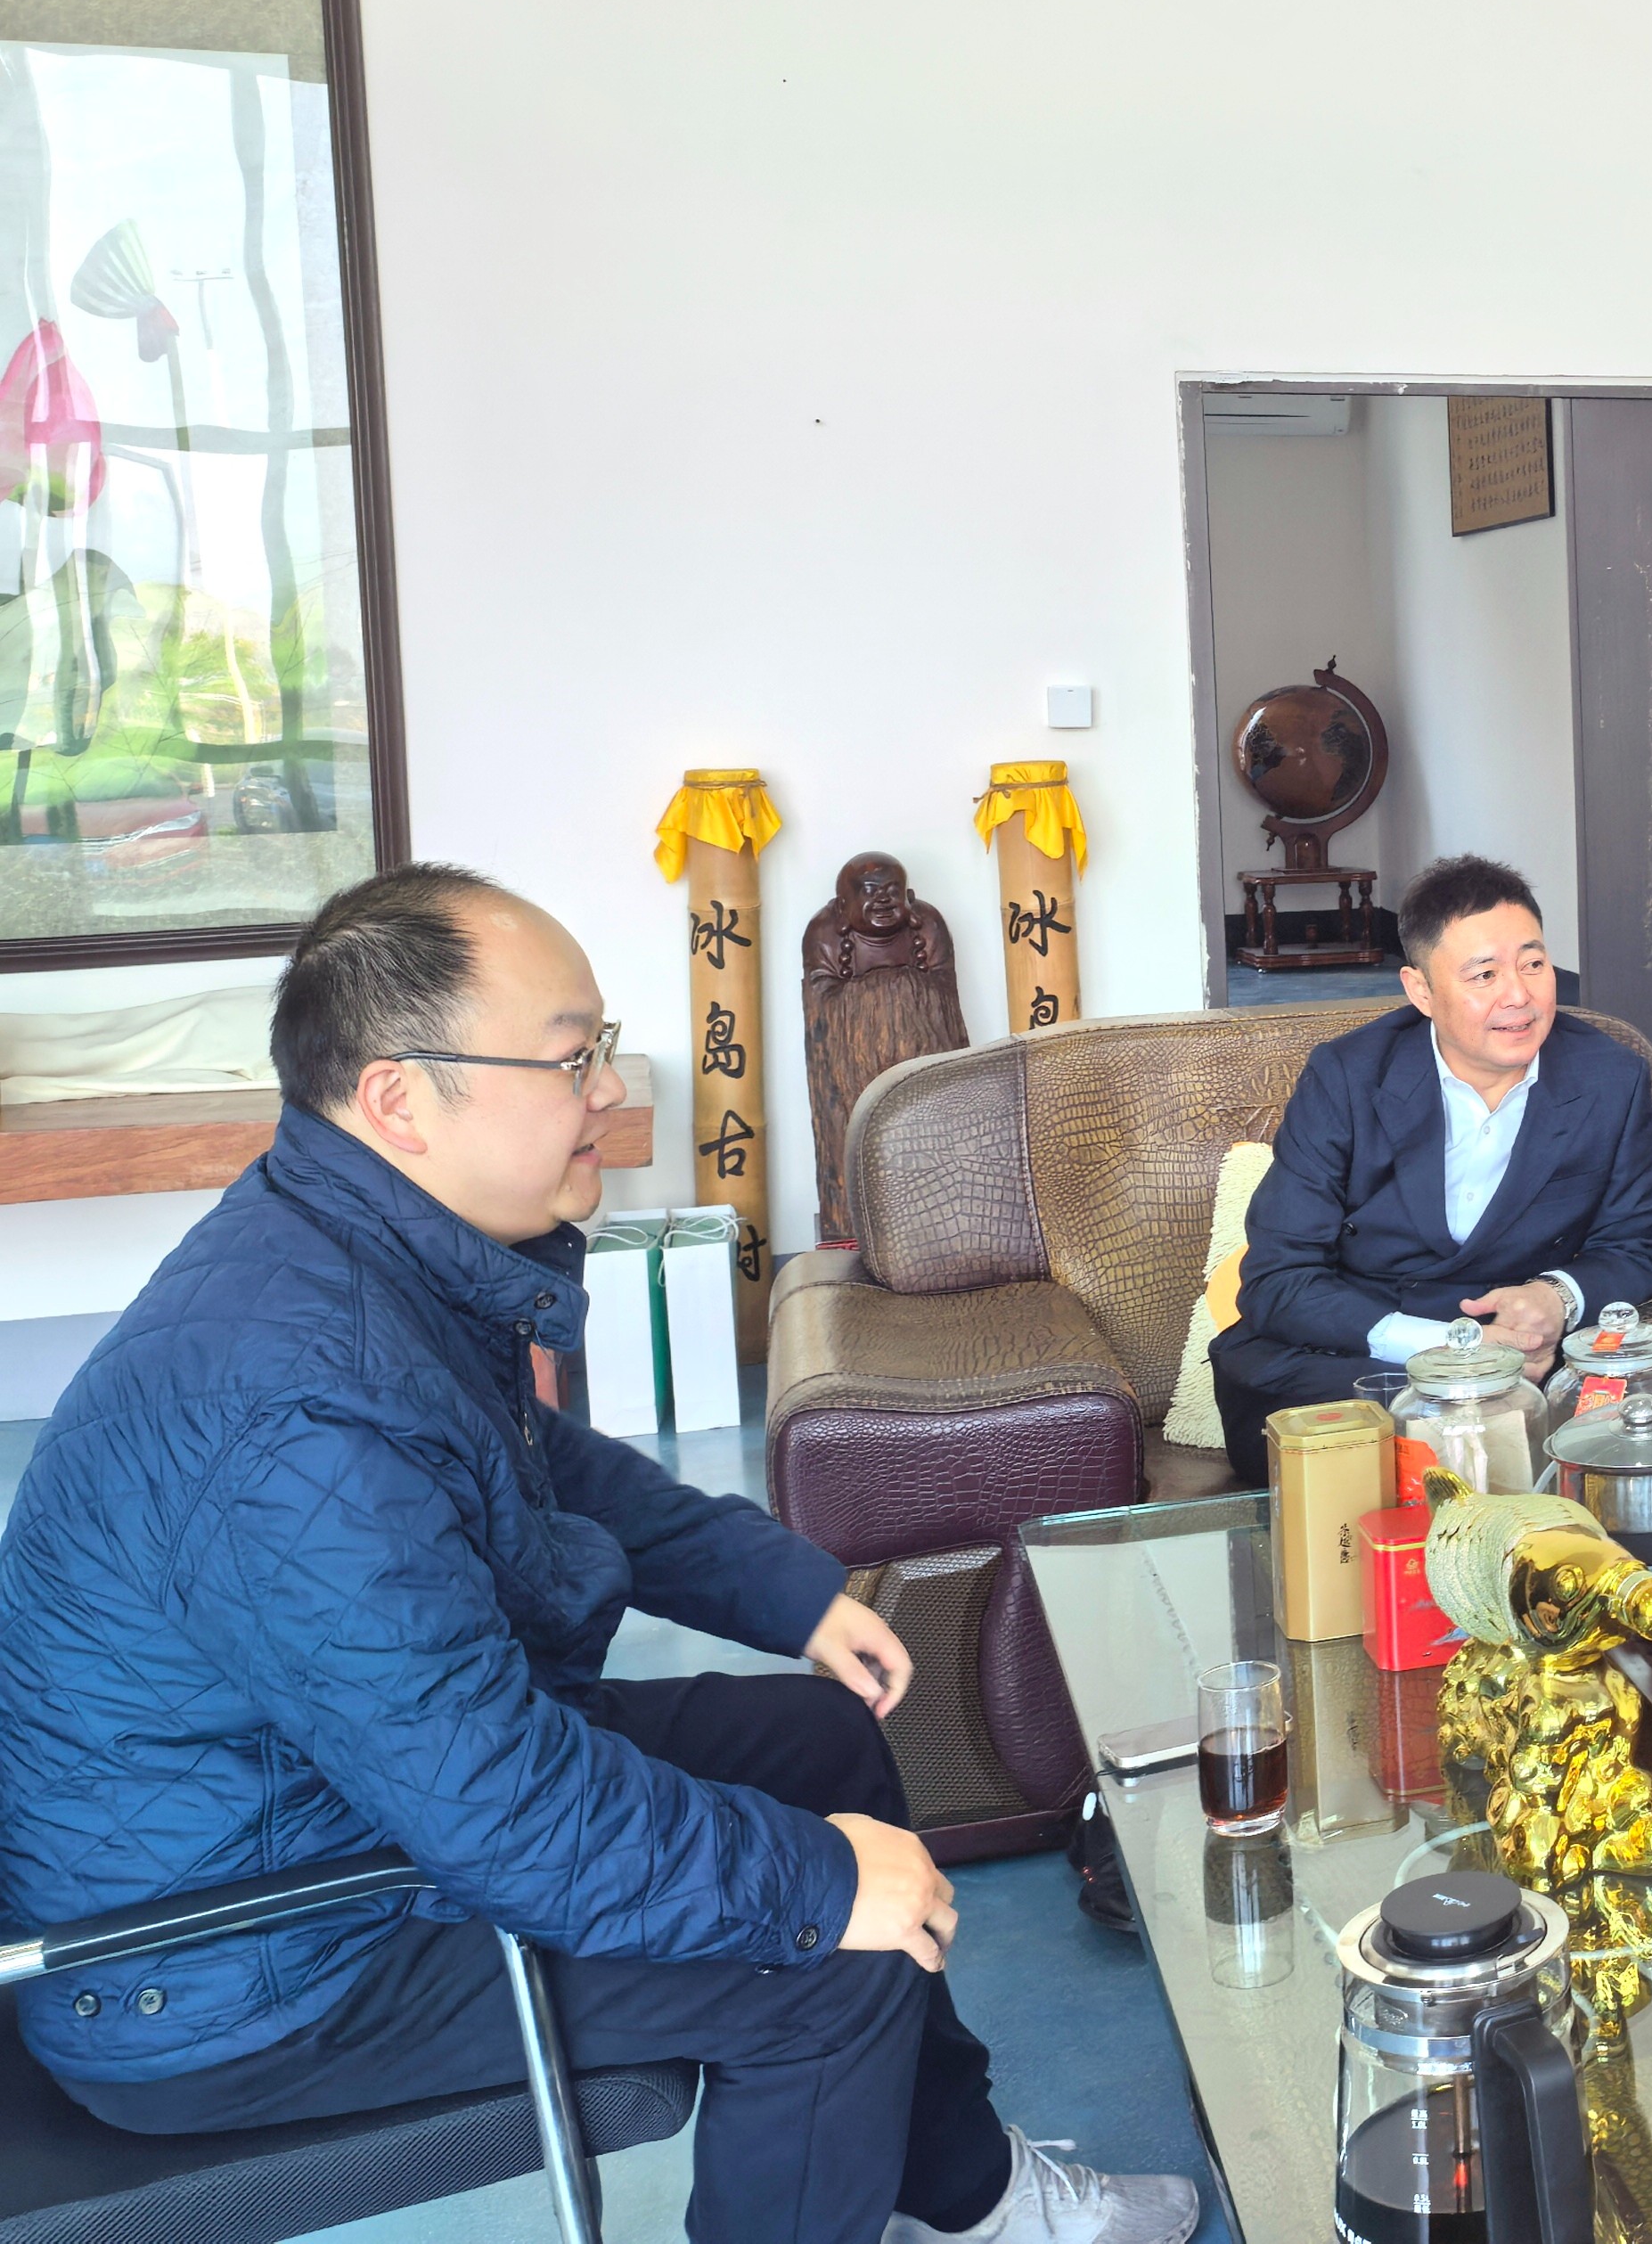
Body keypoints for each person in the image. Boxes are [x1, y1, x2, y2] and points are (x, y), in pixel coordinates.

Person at [0, 865, 1197, 2244]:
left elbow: (538, 1467)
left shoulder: (351, 1254)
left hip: (339, 1804)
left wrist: (782, 1590)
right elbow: (500, 1810)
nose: (611, 1092)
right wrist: (815, 1887)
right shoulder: (291, 1411)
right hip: (241, 1965)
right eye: (572, 1059)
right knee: (825, 1962)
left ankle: (959, 2190)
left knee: (821, 1744)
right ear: (399, 1100)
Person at [1218, 851, 1652, 1478]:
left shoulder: (1610, 1078)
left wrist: (1557, 1297)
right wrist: (1455, 1350)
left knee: (1645, 1400)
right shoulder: (1348, 1076)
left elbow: (1633, 1245)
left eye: (1533, 964)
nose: (1519, 995)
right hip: (1368, 1357)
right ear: (1421, 991)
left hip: (1530, 1361)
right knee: (1305, 1404)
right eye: (1484, 975)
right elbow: (1279, 1277)